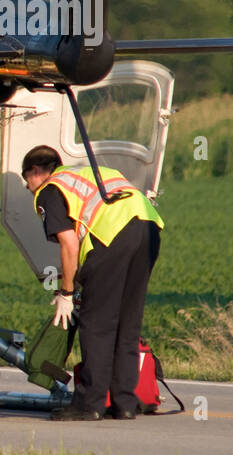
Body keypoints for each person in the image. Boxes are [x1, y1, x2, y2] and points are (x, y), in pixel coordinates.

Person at [21, 145, 164, 421]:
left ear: (36, 171)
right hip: (149, 228)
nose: (28, 187)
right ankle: (124, 402)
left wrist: (67, 291)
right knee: (127, 322)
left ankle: (91, 404)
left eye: (26, 179)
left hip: (112, 237)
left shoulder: (51, 189)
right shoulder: (91, 174)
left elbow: (69, 244)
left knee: (96, 324)